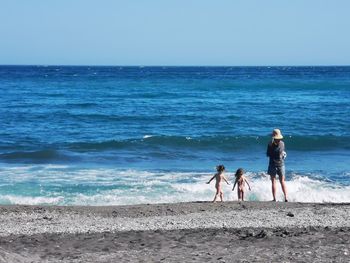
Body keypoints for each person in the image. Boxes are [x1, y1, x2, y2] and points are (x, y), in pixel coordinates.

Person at [266, 128, 288, 202]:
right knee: (282, 181)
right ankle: (286, 197)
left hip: (272, 164)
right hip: (281, 164)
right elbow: (282, 153)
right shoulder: (282, 143)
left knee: (273, 182)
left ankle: (274, 198)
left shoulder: (270, 144)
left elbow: (268, 154)